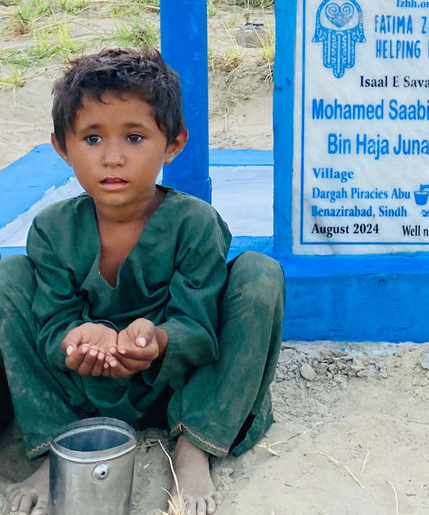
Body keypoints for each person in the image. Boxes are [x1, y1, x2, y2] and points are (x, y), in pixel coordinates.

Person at [0, 48, 285, 515]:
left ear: (173, 144)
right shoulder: (52, 229)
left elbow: (198, 327)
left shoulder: (195, 223)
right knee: (7, 275)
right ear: (61, 146)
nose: (112, 158)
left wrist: (157, 340)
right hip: (83, 391)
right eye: (92, 139)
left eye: (134, 137)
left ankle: (195, 446)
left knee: (259, 273)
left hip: (176, 387)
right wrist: (76, 338)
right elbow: (50, 325)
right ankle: (55, 449)